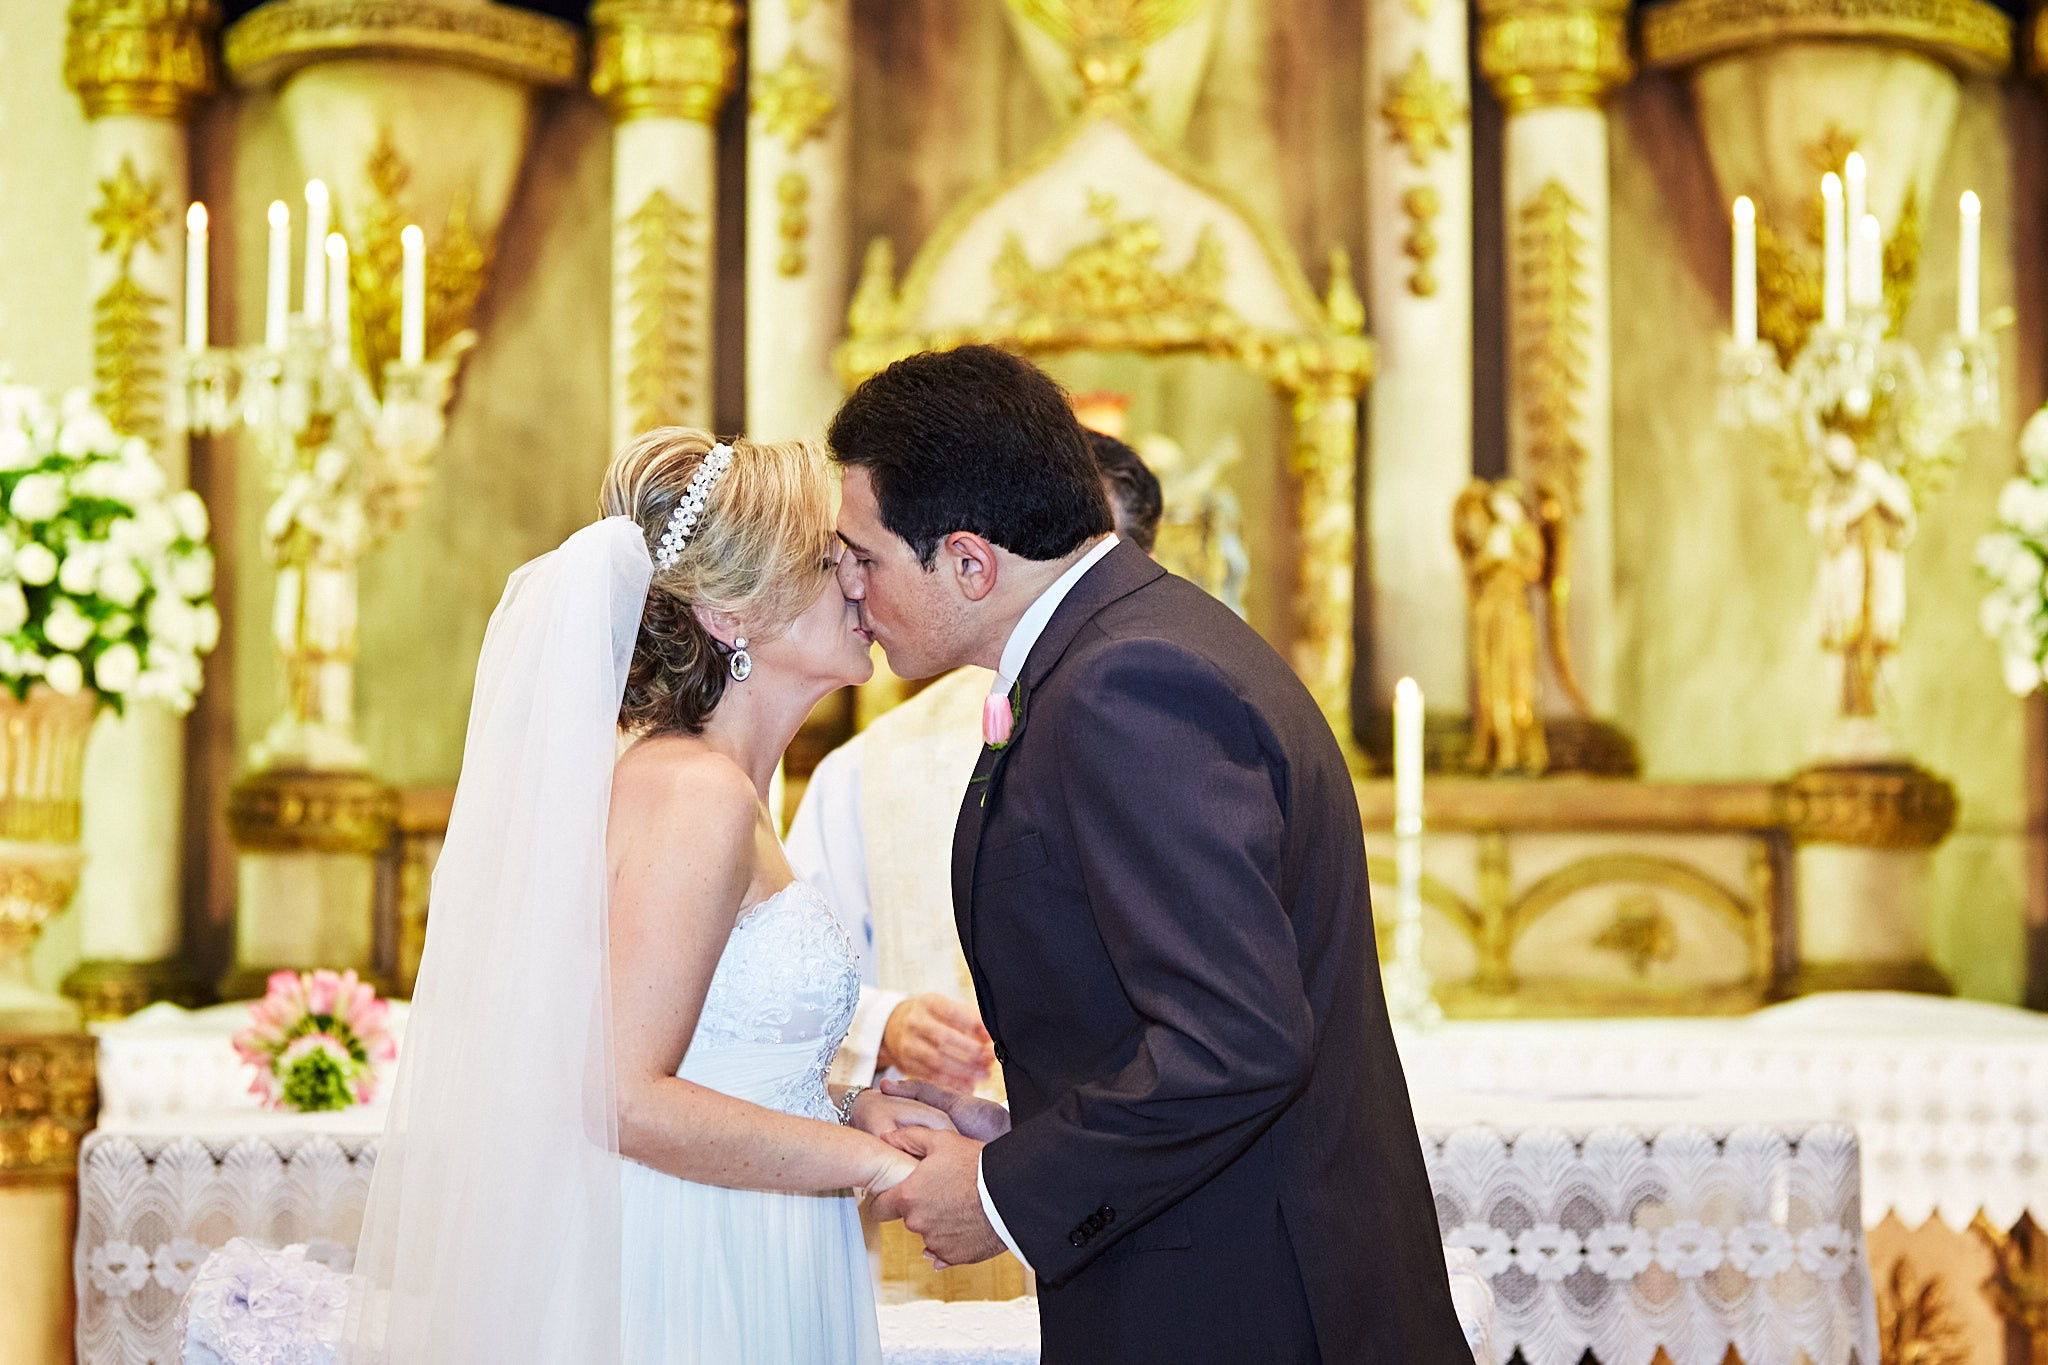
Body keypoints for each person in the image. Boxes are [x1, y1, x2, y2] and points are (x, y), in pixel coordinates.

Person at [829, 346, 1470, 1362]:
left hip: (1246, 1305)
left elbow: (1235, 1039)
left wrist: (1004, 1196)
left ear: (967, 560)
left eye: (862, 557)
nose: (849, 592)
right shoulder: (1129, 646)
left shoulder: (1124, 685)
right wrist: (1028, 1135)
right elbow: (1160, 1014)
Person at [342, 429, 955, 1364]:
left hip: (741, 1223)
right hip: (697, 1263)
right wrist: (867, 1164)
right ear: (728, 612)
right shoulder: (695, 794)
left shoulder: (717, 787)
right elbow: (623, 1098)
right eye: (833, 561)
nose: (861, 585)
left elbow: (710, 1062)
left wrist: (849, 1110)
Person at [787, 431, 1165, 1099]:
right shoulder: (873, 767)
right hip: (933, 1155)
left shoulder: (1179, 741)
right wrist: (888, 1024)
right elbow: (783, 974)